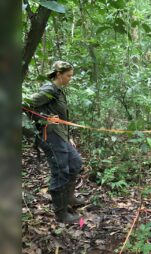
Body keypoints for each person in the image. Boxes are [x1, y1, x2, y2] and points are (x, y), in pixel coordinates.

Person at [25, 61, 85, 224]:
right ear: (58, 74)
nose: (70, 79)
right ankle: (61, 214)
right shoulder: (49, 89)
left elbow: (62, 116)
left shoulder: (57, 90)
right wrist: (44, 119)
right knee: (61, 171)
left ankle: (69, 198)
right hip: (50, 136)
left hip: (61, 135)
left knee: (75, 163)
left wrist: (68, 135)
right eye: (68, 76)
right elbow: (25, 105)